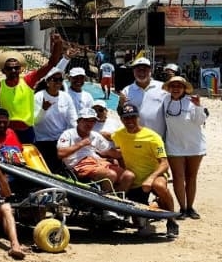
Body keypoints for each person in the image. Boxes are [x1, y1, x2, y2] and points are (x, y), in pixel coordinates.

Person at [109, 104, 179, 238]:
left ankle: (172, 221)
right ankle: (155, 205)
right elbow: (108, 139)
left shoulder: (153, 137)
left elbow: (164, 163)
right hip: (135, 180)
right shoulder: (119, 135)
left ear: (138, 117)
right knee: (138, 224)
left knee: (159, 186)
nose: (129, 121)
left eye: (132, 117)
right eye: (126, 118)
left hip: (155, 175)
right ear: (121, 120)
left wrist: (151, 178)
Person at [0, 33, 63, 143]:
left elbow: (51, 63)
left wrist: (58, 44)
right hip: (8, 131)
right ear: (4, 71)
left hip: (27, 131)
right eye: (10, 68)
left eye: (16, 68)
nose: (13, 71)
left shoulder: (28, 81)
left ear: (20, 69)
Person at [57, 108, 134, 192]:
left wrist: (129, 150)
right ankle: (105, 200)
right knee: (110, 174)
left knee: (129, 176)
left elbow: (112, 152)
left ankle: (115, 197)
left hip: (96, 162)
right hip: (79, 164)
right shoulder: (68, 134)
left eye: (93, 121)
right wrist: (81, 144)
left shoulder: (95, 136)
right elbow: (60, 154)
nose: (90, 124)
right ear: (78, 121)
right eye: (86, 120)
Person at [161, 76, 206, 220]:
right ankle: (182, 207)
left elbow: (200, 121)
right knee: (178, 178)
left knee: (191, 177)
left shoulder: (192, 101)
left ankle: (191, 207)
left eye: (179, 86)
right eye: (173, 85)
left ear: (184, 88)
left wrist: (199, 106)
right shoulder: (165, 100)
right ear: (169, 88)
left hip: (194, 146)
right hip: (174, 145)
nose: (175, 88)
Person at [33, 69, 77, 172]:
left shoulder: (66, 97)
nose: (58, 82)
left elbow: (73, 119)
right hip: (44, 140)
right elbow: (35, 121)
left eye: (60, 80)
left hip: (62, 139)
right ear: (47, 82)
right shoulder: (38, 97)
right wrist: (43, 109)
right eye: (55, 79)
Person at [118, 57, 166, 137]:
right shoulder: (126, 91)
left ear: (151, 71)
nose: (141, 72)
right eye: (138, 70)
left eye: (144, 69)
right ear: (133, 72)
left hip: (159, 138)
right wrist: (121, 104)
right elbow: (121, 114)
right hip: (137, 139)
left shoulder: (163, 88)